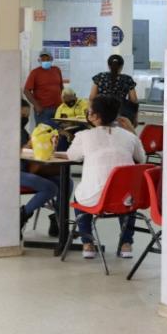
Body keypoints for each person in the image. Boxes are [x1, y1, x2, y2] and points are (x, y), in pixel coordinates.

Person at [66, 95, 146, 259]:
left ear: (94, 116)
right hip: (124, 200)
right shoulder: (129, 137)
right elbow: (142, 159)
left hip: (95, 199)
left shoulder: (84, 136)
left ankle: (88, 243)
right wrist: (132, 131)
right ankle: (126, 244)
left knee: (78, 198)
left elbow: (72, 156)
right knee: (128, 196)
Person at [90, 54, 139, 124]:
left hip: (102, 112)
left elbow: (92, 97)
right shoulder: (127, 79)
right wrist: (135, 117)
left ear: (108, 65)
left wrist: (91, 112)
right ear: (122, 66)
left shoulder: (100, 77)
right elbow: (134, 100)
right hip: (120, 113)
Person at [23, 51, 64, 125]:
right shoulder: (35, 73)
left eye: (47, 59)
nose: (45, 61)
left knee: (58, 132)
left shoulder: (57, 70)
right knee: (43, 132)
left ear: (51, 59)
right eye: (43, 60)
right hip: (43, 110)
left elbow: (61, 87)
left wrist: (63, 104)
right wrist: (36, 105)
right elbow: (26, 91)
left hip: (58, 109)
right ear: (39, 61)